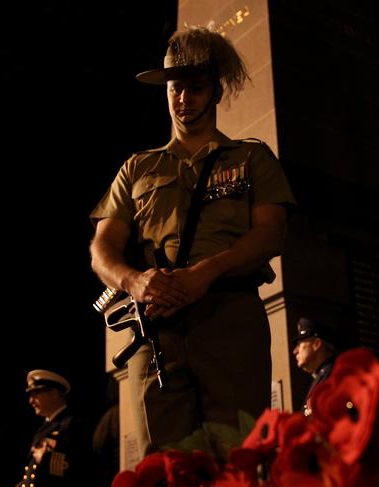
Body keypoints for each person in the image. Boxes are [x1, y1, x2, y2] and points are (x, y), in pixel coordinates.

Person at [89, 26, 296, 459]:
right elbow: (101, 250)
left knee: (238, 458)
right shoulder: (137, 168)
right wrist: (134, 281)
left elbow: (270, 233)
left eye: (196, 88)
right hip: (156, 328)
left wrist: (207, 272)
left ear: (217, 91)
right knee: (163, 466)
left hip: (229, 319)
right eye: (176, 89)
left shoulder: (252, 158)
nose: (184, 99)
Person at [20, 369, 93, 486]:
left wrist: (45, 459)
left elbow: (82, 466)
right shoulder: (42, 429)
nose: (31, 401)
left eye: (36, 394)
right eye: (30, 395)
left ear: (54, 393)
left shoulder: (72, 425)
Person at [291, 317, 340, 416]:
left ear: (316, 344)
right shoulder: (322, 375)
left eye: (300, 345)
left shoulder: (332, 375)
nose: (295, 351)